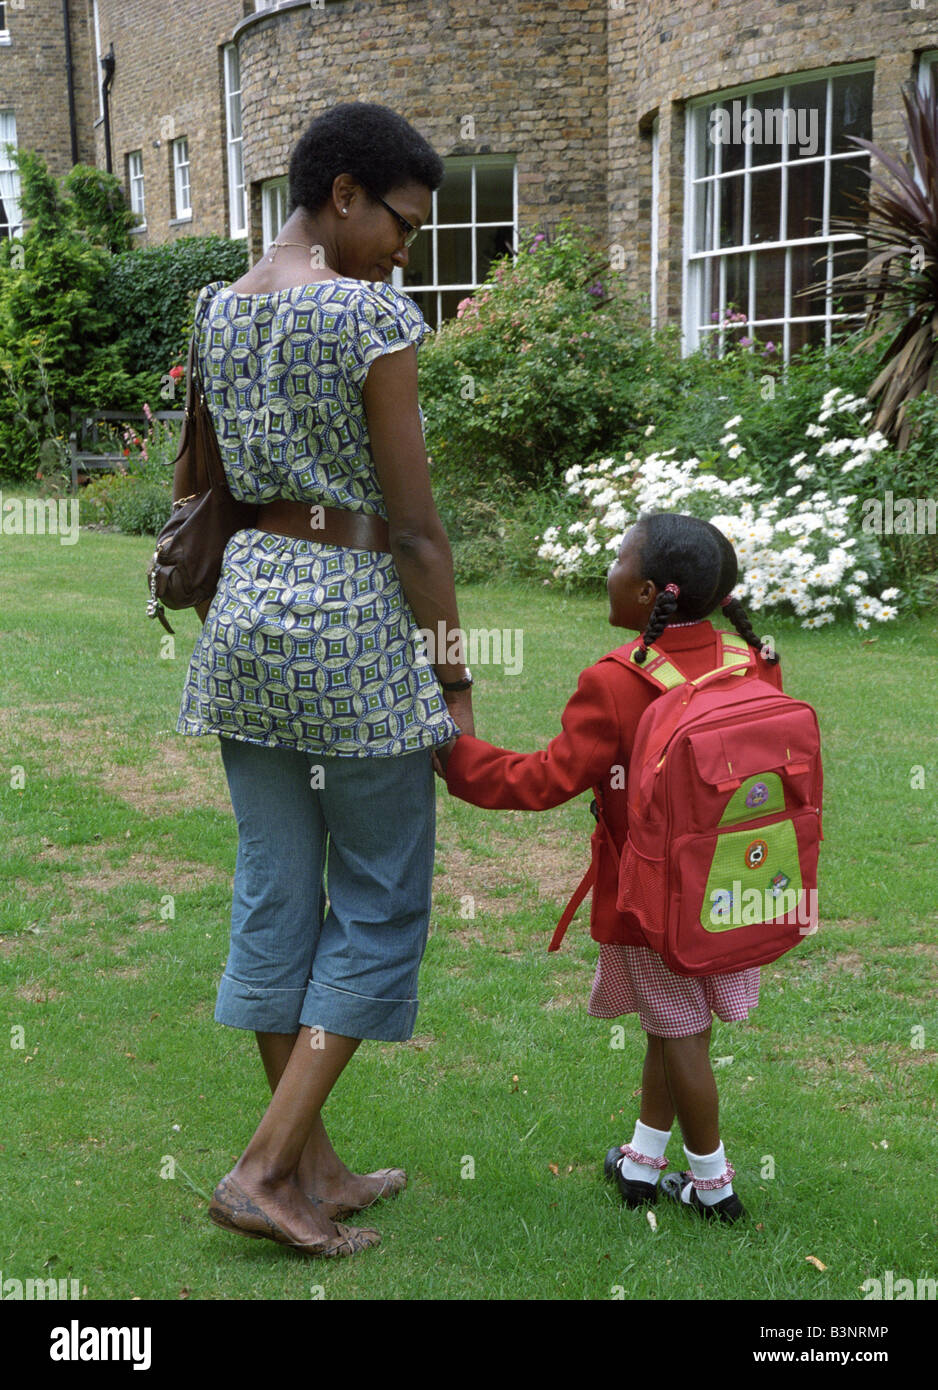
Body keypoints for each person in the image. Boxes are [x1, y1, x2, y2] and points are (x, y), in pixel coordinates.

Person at [175, 103, 474, 1258]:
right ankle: (261, 1170)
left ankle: (314, 1166)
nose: (404, 250)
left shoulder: (217, 307)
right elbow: (416, 530)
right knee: (382, 895)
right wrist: (452, 679)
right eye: (401, 222)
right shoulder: (366, 313)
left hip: (246, 620)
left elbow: (214, 483)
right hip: (347, 621)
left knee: (274, 890)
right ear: (342, 193)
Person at [434, 512, 783, 1224]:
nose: (609, 571)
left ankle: (713, 1185)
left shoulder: (618, 682)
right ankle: (643, 1161)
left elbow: (544, 779)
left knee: (680, 1031)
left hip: (655, 897)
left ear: (651, 591)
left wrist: (454, 757)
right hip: (738, 880)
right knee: (673, 1024)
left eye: (619, 559)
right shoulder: (753, 658)